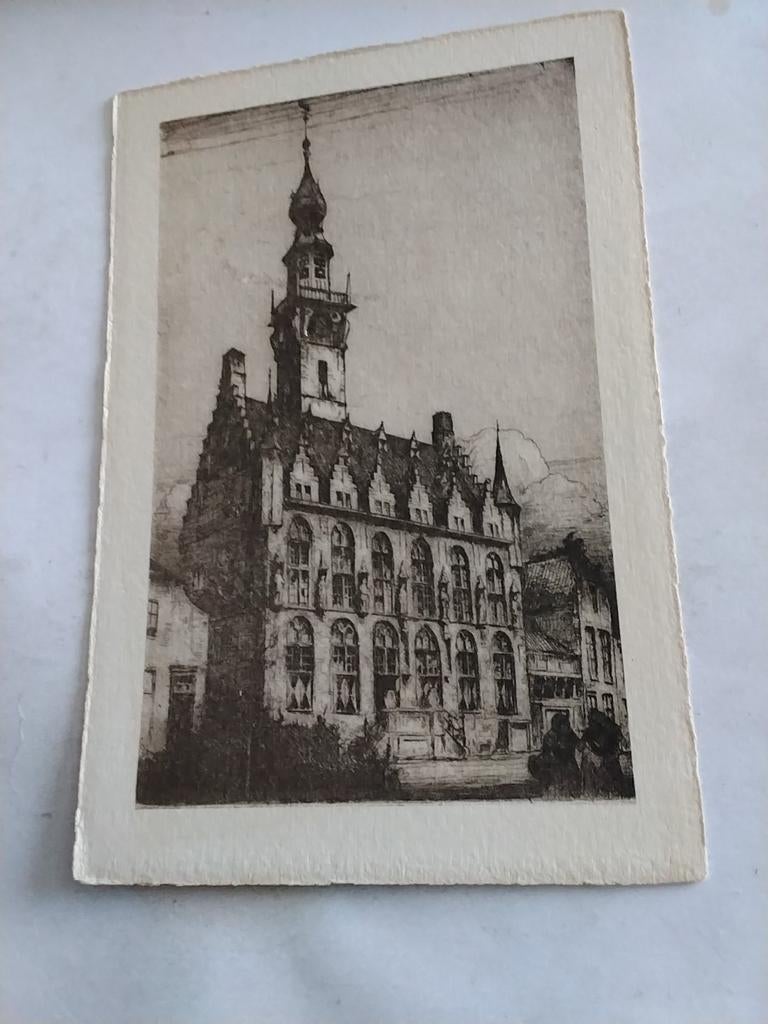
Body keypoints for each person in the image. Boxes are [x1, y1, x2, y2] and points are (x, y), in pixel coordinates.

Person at [529, 712, 581, 797]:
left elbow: (579, 746)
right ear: (558, 725)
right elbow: (549, 753)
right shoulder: (550, 736)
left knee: (573, 778)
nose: (567, 727)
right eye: (564, 725)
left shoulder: (570, 734)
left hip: (569, 763)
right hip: (555, 765)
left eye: (567, 724)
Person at [581, 709, 626, 797]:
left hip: (610, 760)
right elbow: (581, 745)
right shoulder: (589, 731)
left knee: (614, 785)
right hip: (598, 762)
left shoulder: (610, 728)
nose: (590, 723)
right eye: (590, 721)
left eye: (593, 721)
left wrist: (612, 754)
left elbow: (620, 742)